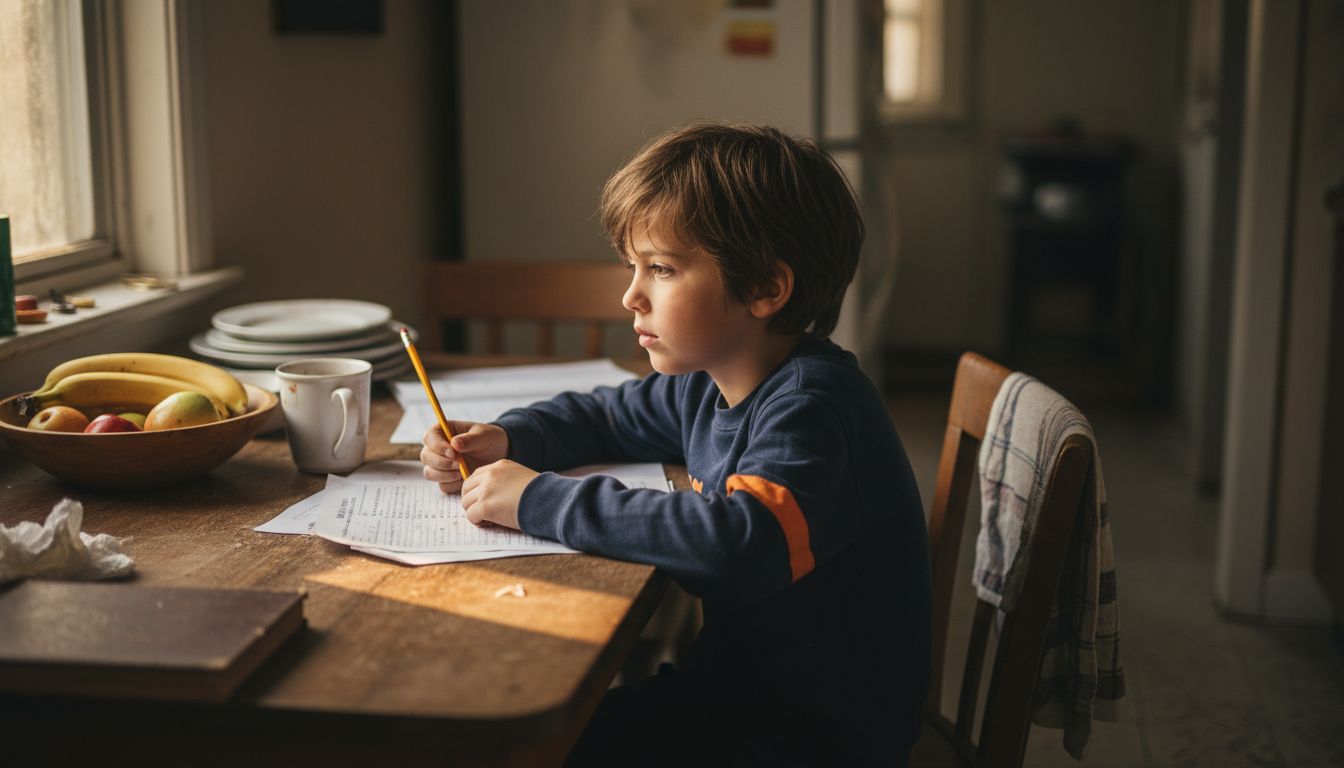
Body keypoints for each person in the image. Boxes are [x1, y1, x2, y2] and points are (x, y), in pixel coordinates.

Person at [420, 122, 931, 766]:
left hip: (813, 735)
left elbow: (738, 544)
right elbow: (607, 416)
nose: (630, 295)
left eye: (660, 269)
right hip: (740, 697)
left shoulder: (816, 408)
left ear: (765, 289)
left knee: (524, 747)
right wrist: (509, 437)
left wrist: (535, 500)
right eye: (633, 267)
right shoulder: (707, 381)